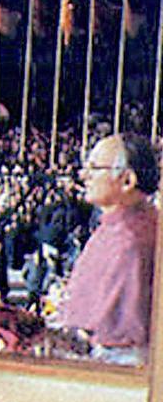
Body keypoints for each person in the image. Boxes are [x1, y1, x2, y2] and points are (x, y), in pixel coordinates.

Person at [54, 134, 158, 365]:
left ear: (127, 180)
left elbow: (115, 333)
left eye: (94, 167)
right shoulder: (113, 227)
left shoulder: (133, 239)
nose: (84, 175)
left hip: (118, 370)